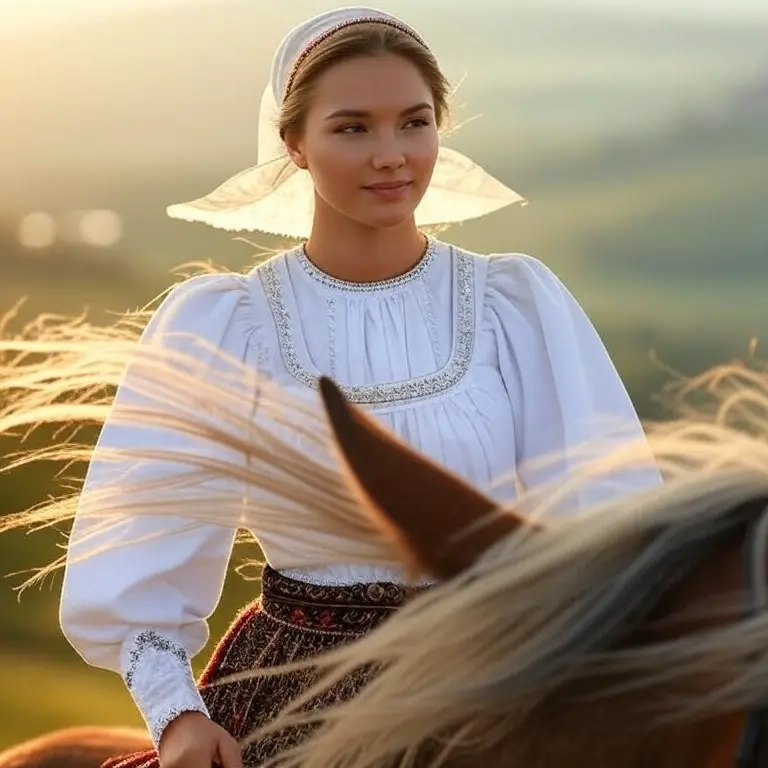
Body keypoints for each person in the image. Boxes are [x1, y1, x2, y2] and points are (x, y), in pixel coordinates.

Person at [54, 7, 663, 768]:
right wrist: (177, 717)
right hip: (295, 700)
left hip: (498, 692)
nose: (391, 155)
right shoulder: (225, 326)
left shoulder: (517, 307)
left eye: (414, 123)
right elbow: (138, 559)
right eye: (352, 128)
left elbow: (610, 528)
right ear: (294, 144)